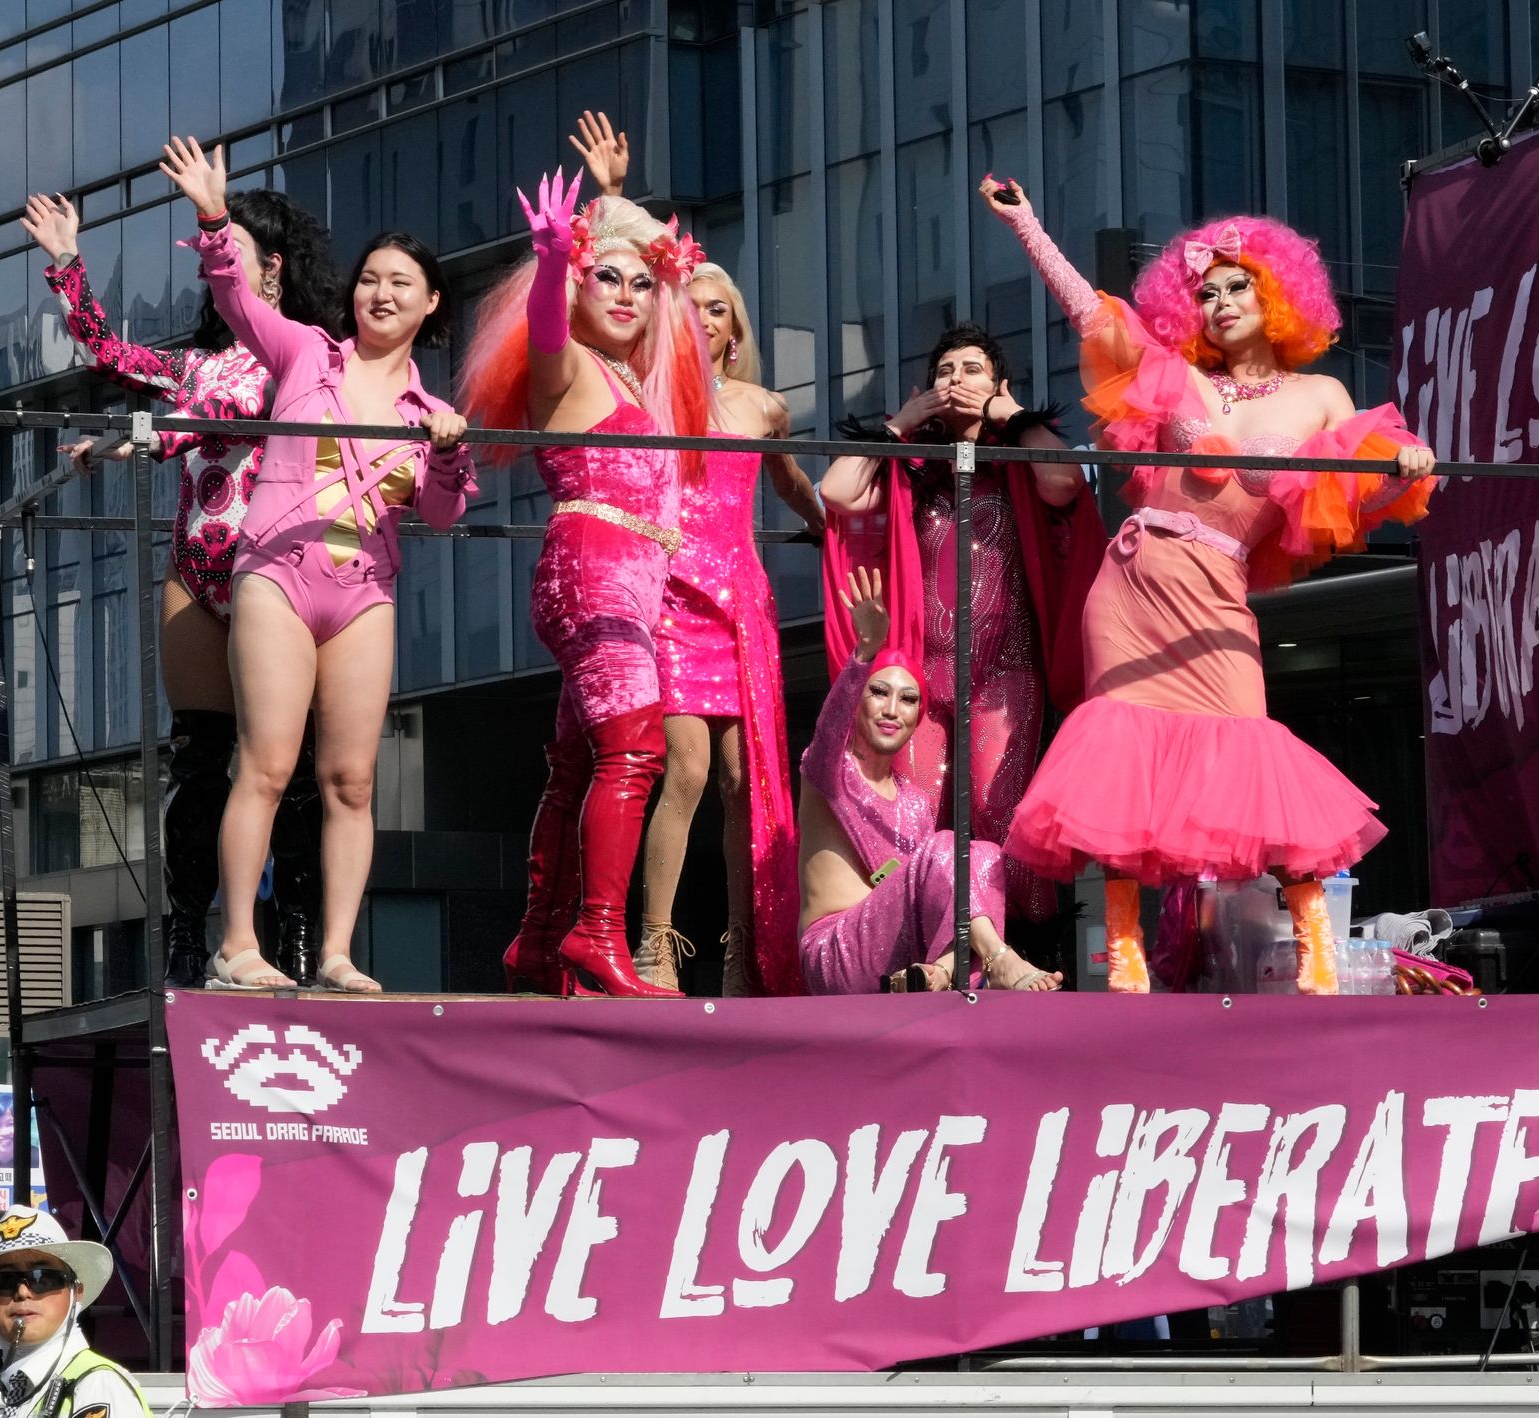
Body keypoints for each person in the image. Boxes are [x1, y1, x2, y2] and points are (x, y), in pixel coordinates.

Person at [982, 175, 1436, 994]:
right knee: (1118, 750)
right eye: (1206, 292)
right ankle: (1123, 956)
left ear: (1280, 297)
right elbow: (1092, 313)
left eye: (1239, 286)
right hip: (1135, 582)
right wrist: (1029, 227)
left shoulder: (1321, 397)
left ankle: (1317, 958)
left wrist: (1402, 464)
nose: (1221, 302)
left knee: (1251, 751)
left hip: (1217, 589)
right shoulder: (1177, 377)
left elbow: (1357, 486)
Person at [160, 136, 475, 993]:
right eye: (369, 279)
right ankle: (237, 944)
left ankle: (335, 951)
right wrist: (216, 217)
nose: (378, 293)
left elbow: (443, 512)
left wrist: (447, 456)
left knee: (351, 778)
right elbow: (233, 297)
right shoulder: (307, 352)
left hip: (363, 588)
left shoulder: (431, 411)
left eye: (398, 283)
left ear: (429, 305)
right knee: (264, 761)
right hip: (276, 572)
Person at [20, 189, 345, 989]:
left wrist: (154, 436)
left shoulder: (305, 355)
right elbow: (111, 357)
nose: (212, 268)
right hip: (199, 570)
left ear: (270, 269)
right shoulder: (195, 365)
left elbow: (234, 413)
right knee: (201, 763)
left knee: (294, 772)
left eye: (227, 250)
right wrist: (67, 264)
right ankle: (184, 936)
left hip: (279, 571)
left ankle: (298, 937)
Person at [565, 111, 827, 997]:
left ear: (734, 324)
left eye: (721, 310)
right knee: (678, 770)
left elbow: (795, 491)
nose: (707, 321)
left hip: (741, 605)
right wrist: (607, 198)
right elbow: (609, 286)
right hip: (668, 593)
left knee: (740, 785)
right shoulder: (645, 391)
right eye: (696, 306)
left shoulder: (762, 408)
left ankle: (746, 952)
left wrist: (845, 526)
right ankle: (653, 945)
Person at [460, 167, 713, 999]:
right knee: (634, 751)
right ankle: (597, 933)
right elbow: (541, 333)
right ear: (577, 280)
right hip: (595, 576)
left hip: (621, 584)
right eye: (609, 275)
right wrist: (548, 260)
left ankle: (537, 941)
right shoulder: (567, 370)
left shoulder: (632, 379)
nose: (628, 296)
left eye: (645, 284)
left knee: (575, 764)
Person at [817, 325, 1104, 929]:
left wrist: (1011, 413)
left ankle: (1020, 954)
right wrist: (900, 425)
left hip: (1008, 673)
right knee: (919, 817)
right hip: (925, 674)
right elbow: (838, 491)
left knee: (996, 814)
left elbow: (1064, 484)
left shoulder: (1023, 457)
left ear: (997, 384)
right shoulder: (914, 469)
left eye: (972, 369)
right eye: (946, 371)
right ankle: (920, 946)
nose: (957, 380)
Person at [799, 567, 1062, 994]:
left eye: (908, 700)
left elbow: (928, 894)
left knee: (985, 854)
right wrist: (865, 651)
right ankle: (998, 958)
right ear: (857, 701)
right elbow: (829, 731)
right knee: (948, 848)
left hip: (899, 956)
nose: (891, 709)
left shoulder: (915, 801)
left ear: (917, 717)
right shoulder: (829, 769)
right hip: (836, 954)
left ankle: (941, 970)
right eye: (878, 692)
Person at [0, 1205, 148, 1417]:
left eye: (44, 1278)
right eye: (3, 1281)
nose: (22, 1292)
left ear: (76, 1293)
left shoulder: (97, 1386)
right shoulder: (25, 1390)